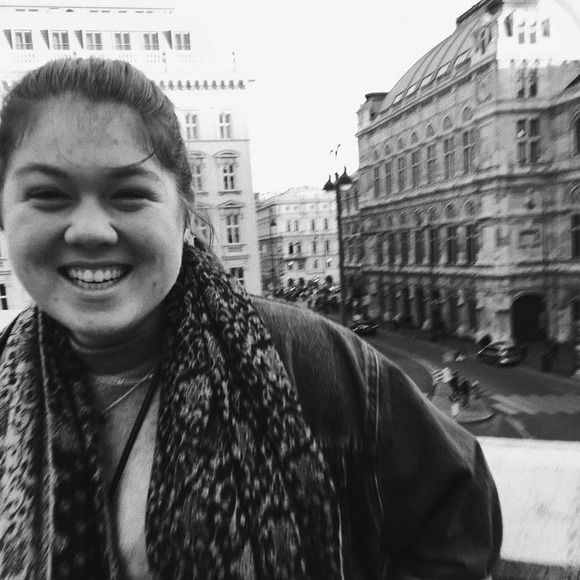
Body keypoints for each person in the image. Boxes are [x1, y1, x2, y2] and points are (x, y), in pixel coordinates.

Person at [0, 58, 501, 579]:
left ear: (183, 212)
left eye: (128, 194)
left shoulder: (308, 358)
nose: (89, 231)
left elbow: (459, 516)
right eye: (48, 195)